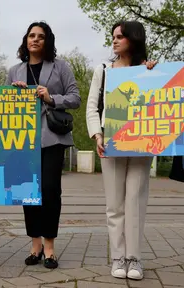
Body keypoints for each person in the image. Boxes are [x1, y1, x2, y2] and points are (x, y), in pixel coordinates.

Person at [6, 21, 81, 269]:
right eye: (31, 35)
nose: (35, 39)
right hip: (23, 140)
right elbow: (4, 107)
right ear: (25, 40)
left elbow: (75, 98)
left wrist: (51, 97)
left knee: (49, 191)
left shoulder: (60, 67)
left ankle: (50, 247)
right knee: (29, 193)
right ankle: (34, 244)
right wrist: (14, 95)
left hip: (52, 138)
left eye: (40, 36)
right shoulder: (15, 71)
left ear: (47, 41)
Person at [86, 20, 157, 280]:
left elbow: (160, 99)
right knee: (114, 203)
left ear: (133, 39)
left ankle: (135, 258)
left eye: (120, 37)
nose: (114, 41)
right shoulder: (103, 70)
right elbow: (92, 106)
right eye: (113, 36)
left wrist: (152, 74)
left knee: (135, 200)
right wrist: (97, 134)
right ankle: (117, 257)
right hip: (112, 141)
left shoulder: (148, 69)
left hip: (141, 142)